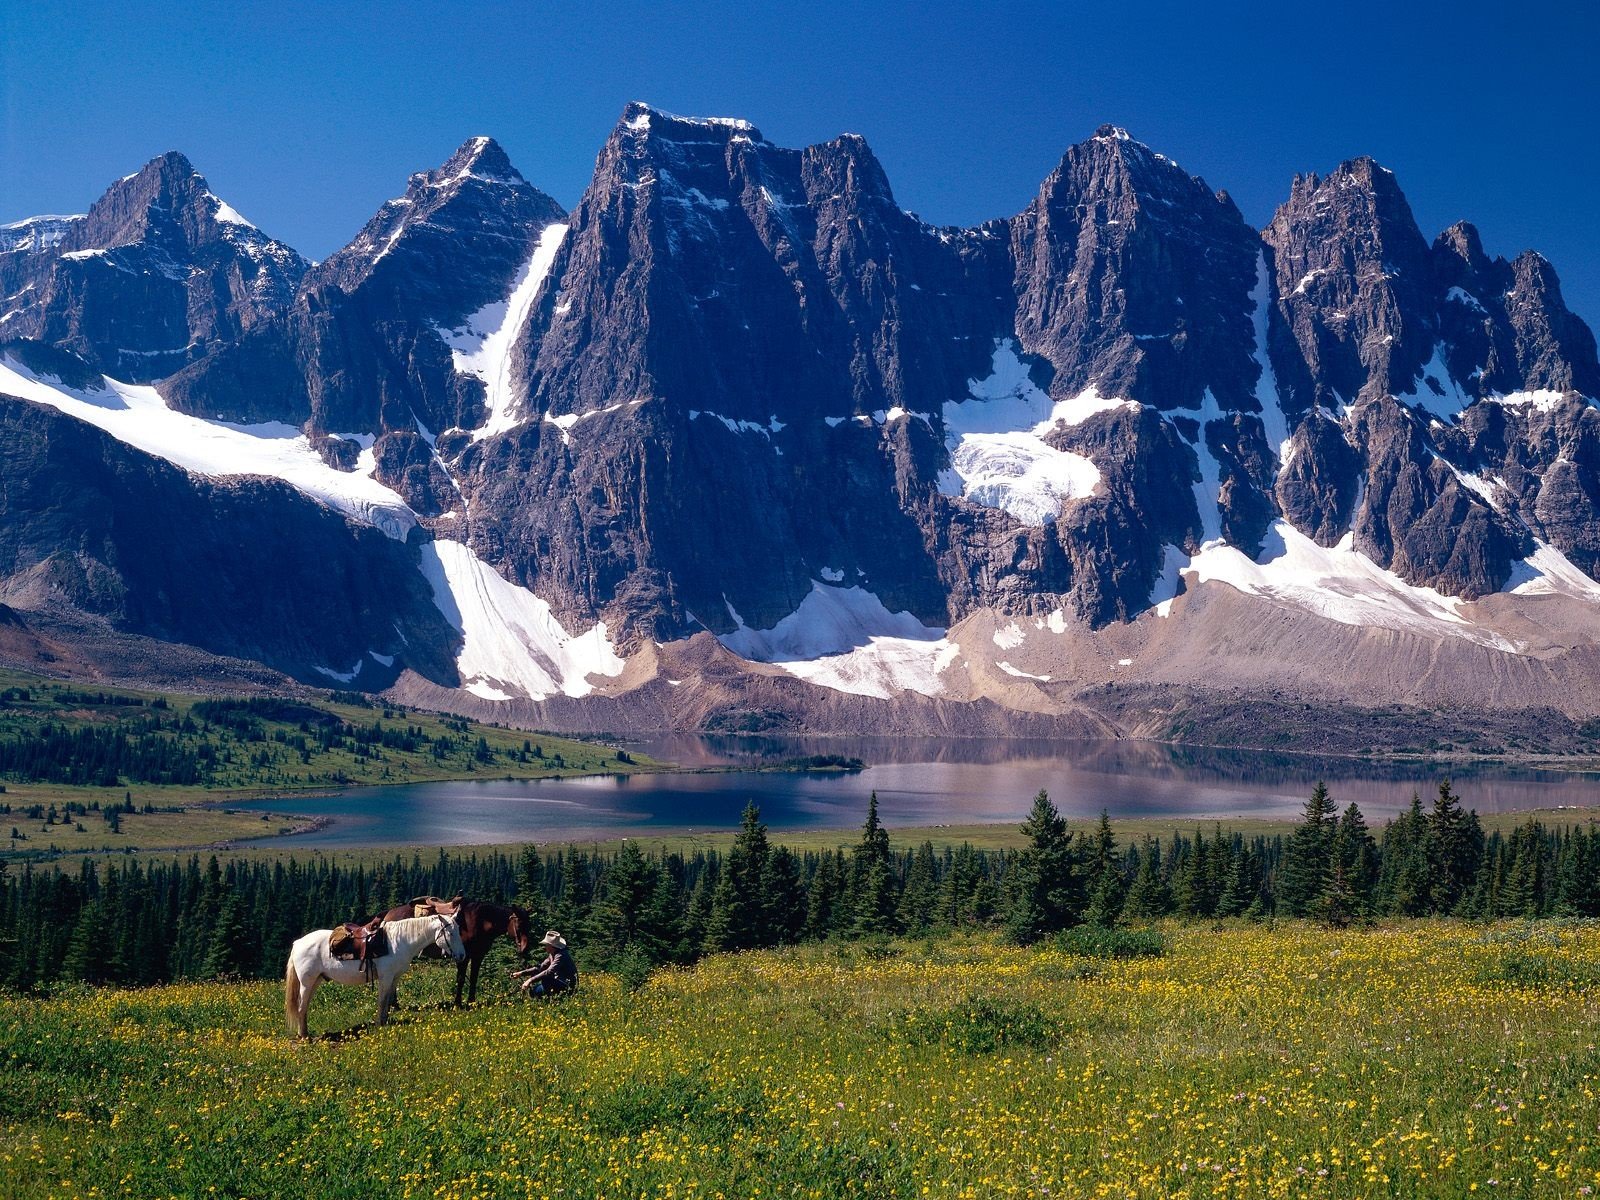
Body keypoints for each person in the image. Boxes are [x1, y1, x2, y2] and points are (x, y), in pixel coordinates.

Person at [510, 930, 577, 997]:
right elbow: (540, 967)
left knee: (546, 978)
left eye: (546, 945)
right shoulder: (552, 954)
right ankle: (548, 998)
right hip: (558, 983)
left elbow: (549, 972)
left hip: (567, 986)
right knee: (534, 991)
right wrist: (521, 973)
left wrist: (530, 980)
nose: (545, 946)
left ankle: (552, 1000)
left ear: (551, 946)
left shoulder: (561, 955)